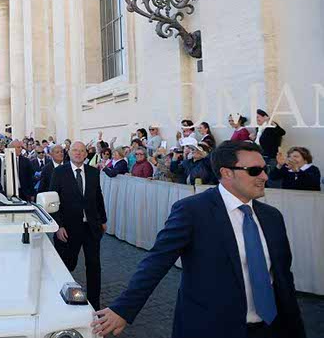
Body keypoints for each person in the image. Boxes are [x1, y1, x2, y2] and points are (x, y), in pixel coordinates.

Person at [92, 141, 305, 338]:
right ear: (226, 173)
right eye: (255, 171)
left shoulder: (272, 217)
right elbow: (157, 262)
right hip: (211, 328)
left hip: (272, 329)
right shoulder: (193, 211)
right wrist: (123, 309)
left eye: (264, 169)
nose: (265, 177)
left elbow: (283, 279)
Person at [50, 141, 107, 310]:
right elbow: (53, 200)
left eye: (82, 151)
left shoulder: (93, 172)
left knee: (94, 266)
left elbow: (98, 197)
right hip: (67, 229)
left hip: (91, 228)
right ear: (69, 152)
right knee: (66, 265)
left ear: (86, 154)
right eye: (75, 150)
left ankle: (95, 305)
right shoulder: (59, 172)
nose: (78, 153)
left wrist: (103, 220)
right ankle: (60, 302)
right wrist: (58, 226)